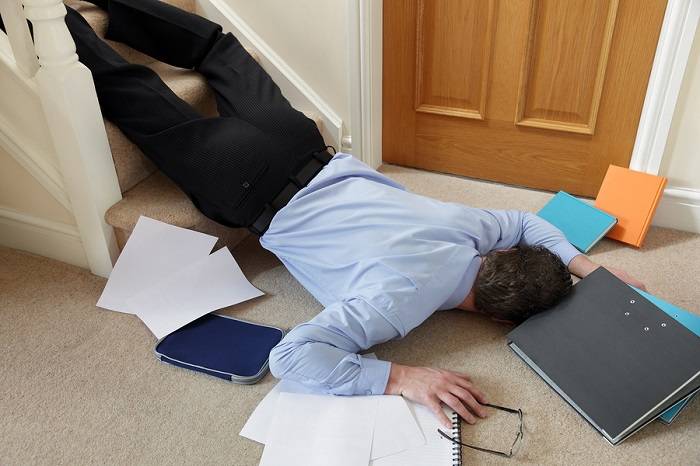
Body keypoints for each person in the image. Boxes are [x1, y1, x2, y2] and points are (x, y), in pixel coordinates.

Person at [5, 0, 645, 428]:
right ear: (495, 316)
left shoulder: (470, 230)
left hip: (297, 142)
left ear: (501, 257)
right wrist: (400, 376)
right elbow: (293, 358)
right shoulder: (395, 305)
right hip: (243, 183)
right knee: (130, 89)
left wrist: (585, 266)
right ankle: (49, 19)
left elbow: (528, 222)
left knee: (217, 47)